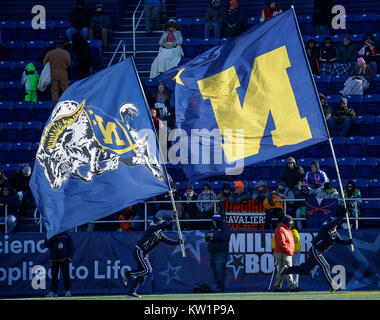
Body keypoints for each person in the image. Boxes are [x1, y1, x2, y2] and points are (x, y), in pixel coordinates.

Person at [281, 215, 353, 292]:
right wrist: (342, 216)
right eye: (333, 225)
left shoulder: (335, 234)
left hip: (317, 252)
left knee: (305, 270)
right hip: (315, 251)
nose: (334, 227)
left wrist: (349, 242)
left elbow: (341, 241)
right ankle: (332, 286)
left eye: (335, 225)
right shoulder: (324, 228)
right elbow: (333, 223)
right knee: (325, 266)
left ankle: (287, 270)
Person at [122, 214, 183, 297]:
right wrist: (171, 218)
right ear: (156, 223)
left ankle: (132, 292)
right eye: (160, 223)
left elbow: (167, 241)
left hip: (145, 254)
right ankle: (128, 274)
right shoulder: (151, 228)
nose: (161, 225)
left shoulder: (159, 233)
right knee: (147, 270)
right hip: (139, 251)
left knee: (144, 274)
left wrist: (177, 242)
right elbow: (163, 224)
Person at [272, 215, 299, 292]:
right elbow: (282, 243)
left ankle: (277, 287)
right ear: (286, 221)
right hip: (284, 253)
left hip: (283, 252)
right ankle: (292, 286)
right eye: (290, 221)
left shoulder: (285, 229)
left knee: (282, 270)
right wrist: (289, 250)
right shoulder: (281, 229)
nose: (291, 223)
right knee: (288, 269)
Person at [205, 213, 231, 293]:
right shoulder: (212, 228)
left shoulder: (225, 228)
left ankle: (221, 287)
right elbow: (207, 239)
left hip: (221, 253)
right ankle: (218, 286)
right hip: (212, 252)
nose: (213, 222)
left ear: (217, 221)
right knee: (215, 271)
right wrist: (207, 236)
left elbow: (226, 237)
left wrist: (214, 235)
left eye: (213, 221)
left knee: (220, 270)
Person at [44, 231, 74, 297]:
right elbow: (46, 245)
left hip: (64, 258)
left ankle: (67, 291)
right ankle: (53, 292)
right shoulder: (50, 233)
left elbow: (70, 245)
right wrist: (50, 238)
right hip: (54, 258)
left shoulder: (66, 234)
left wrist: (70, 257)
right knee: (54, 276)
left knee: (66, 275)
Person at [43, 38, 71, 102]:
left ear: (56, 45)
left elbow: (44, 63)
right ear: (63, 45)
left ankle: (55, 102)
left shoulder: (50, 53)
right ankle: (66, 100)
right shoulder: (66, 53)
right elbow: (69, 63)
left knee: (54, 89)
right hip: (63, 73)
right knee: (65, 88)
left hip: (53, 73)